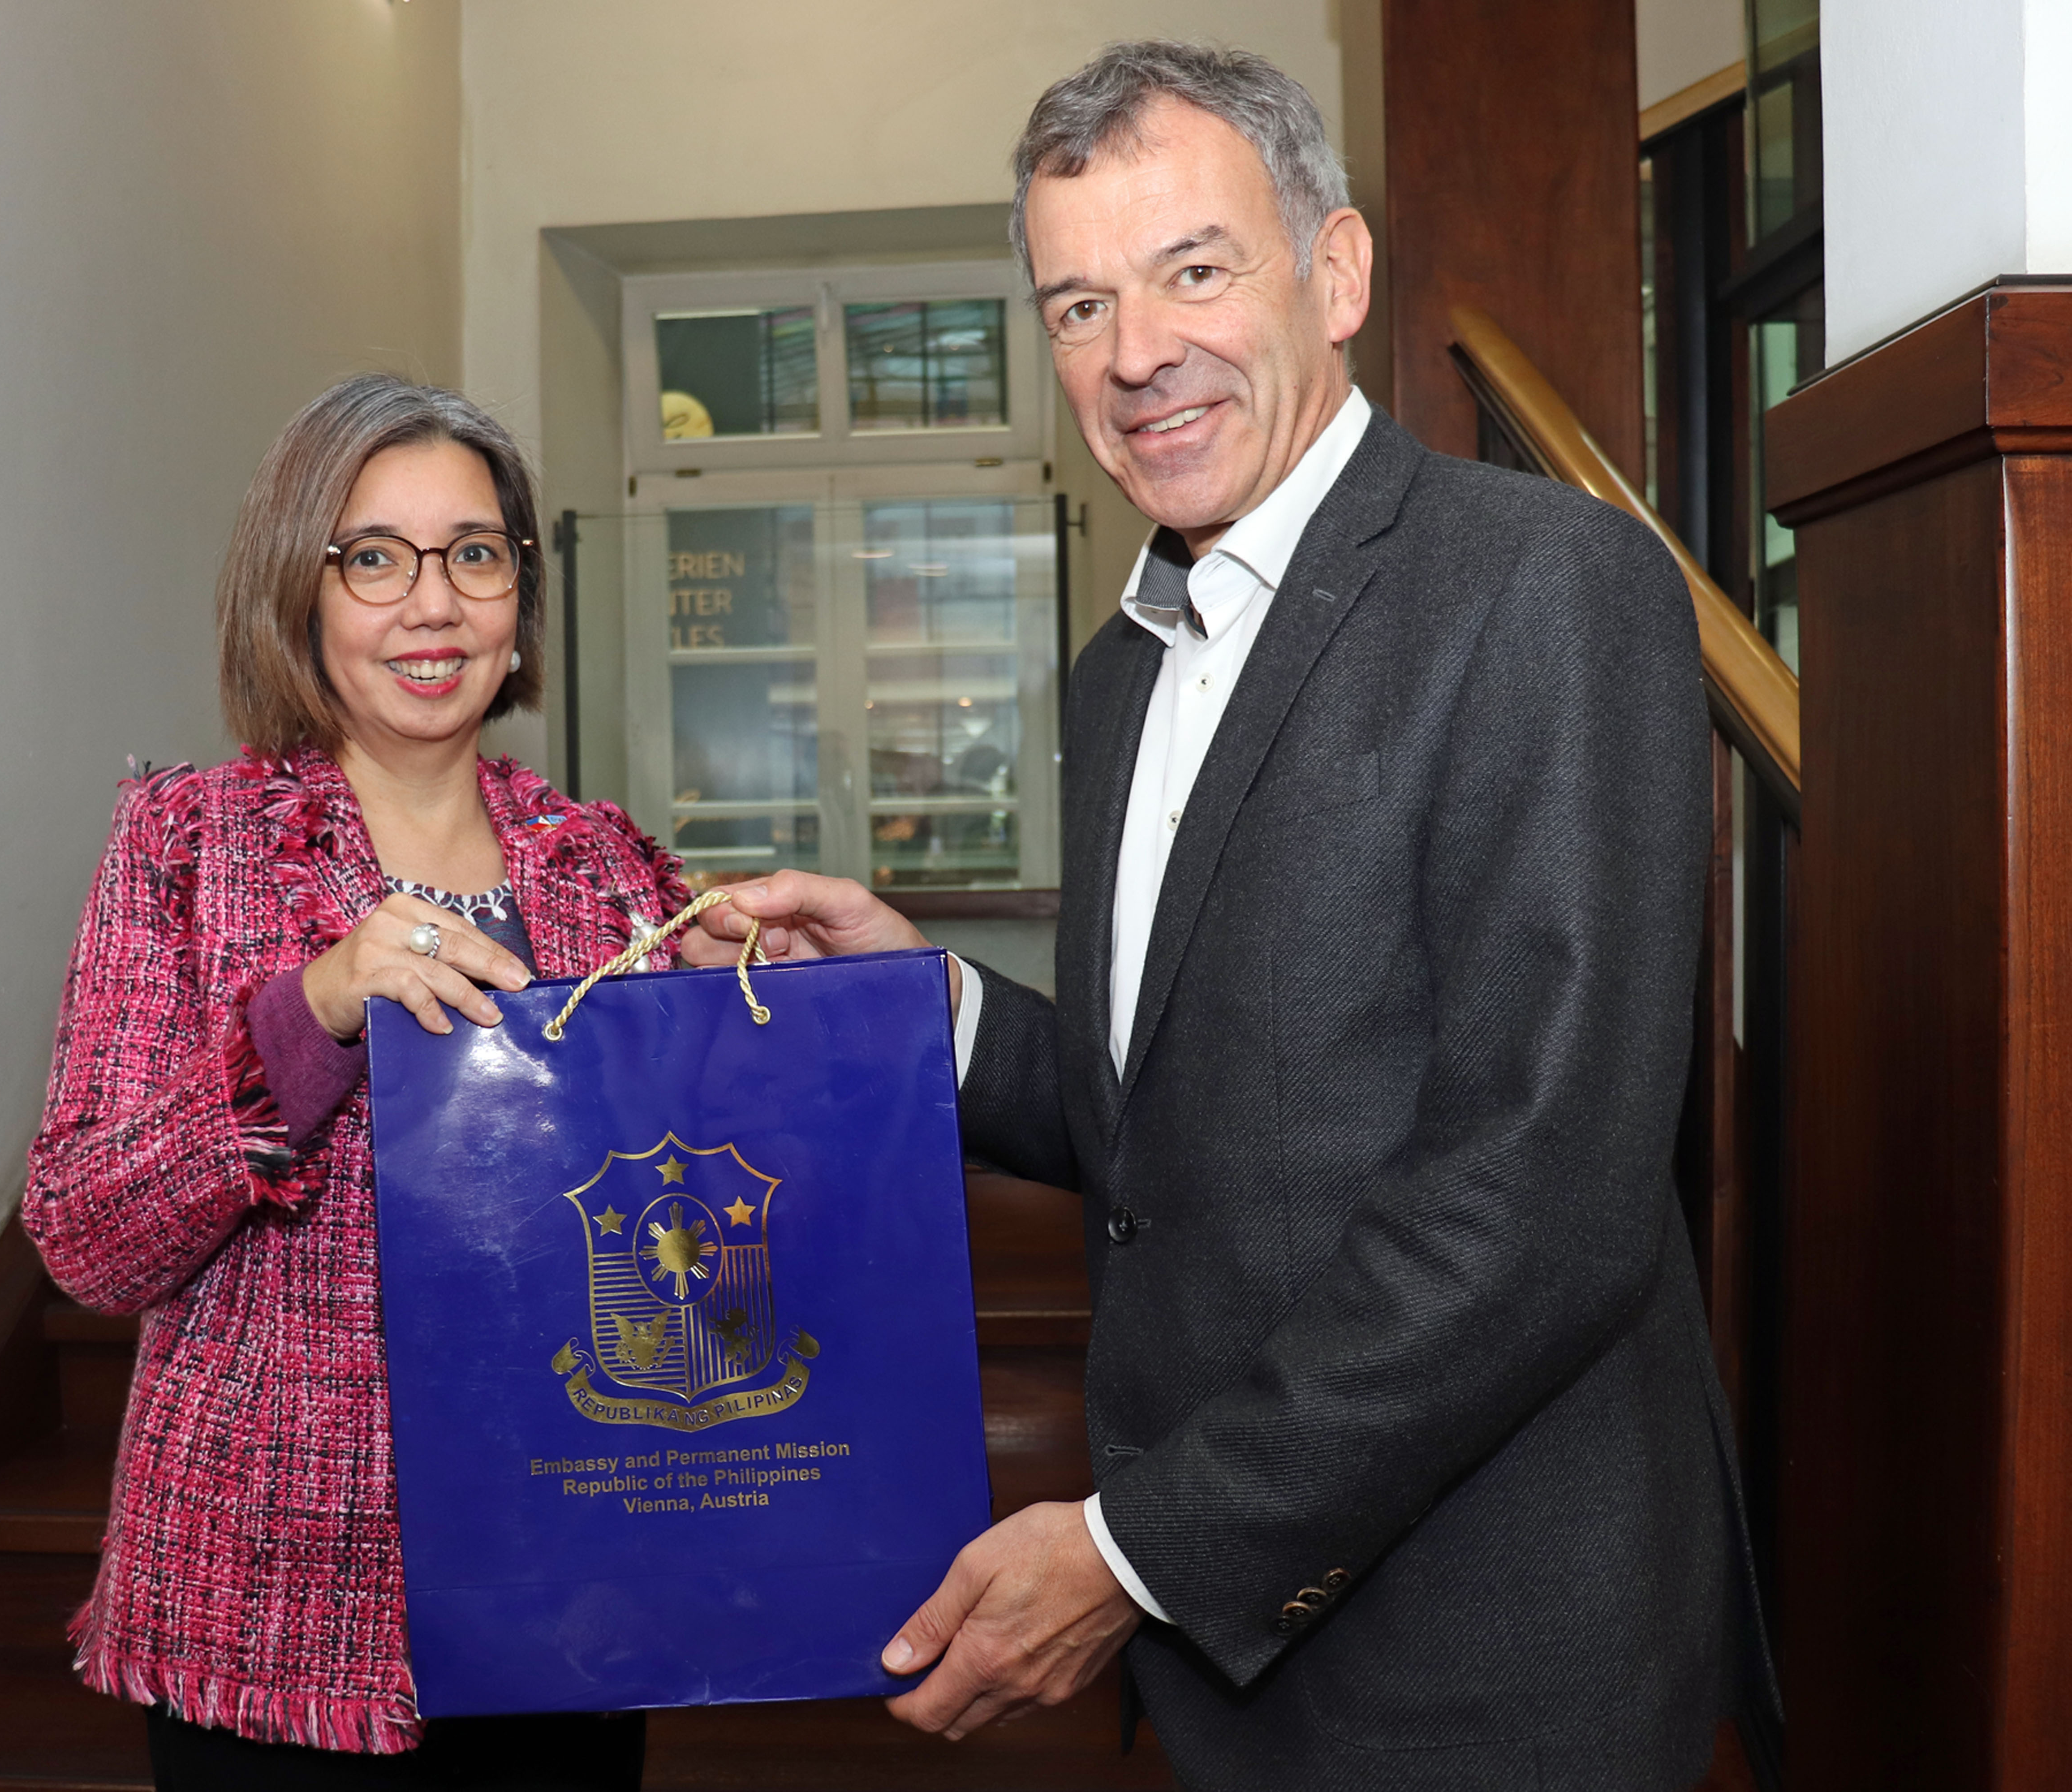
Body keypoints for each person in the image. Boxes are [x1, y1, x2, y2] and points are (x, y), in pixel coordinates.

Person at [681, 41, 1778, 1792]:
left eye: (1194, 270)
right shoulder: (1119, 677)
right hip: (1233, 1686)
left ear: (1334, 273)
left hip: (1482, 1669)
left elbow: (1544, 1199)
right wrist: (924, 1006)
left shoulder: (1544, 590)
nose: (1135, 355)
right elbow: (1175, 1134)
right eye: (1079, 304)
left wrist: (1129, 1555)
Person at [25, 375, 683, 1789]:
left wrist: (798, 1021)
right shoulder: (190, 848)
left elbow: (690, 1211)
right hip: (268, 1605)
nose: (431, 604)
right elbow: (85, 1234)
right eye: (374, 557)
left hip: (569, 1588)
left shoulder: (618, 875)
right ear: (299, 591)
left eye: (475, 553)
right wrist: (314, 1008)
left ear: (521, 594)